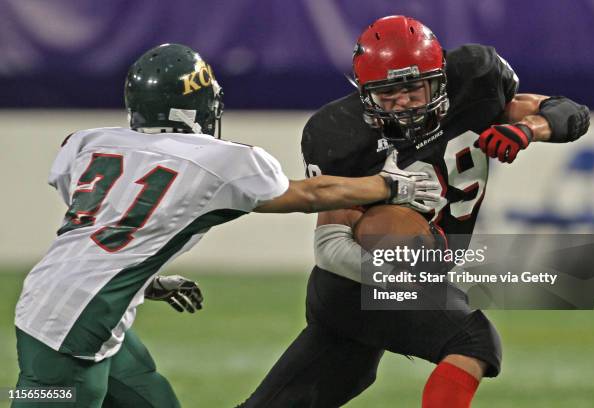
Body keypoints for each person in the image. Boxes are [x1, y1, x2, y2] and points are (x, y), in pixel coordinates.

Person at [12, 43, 435, 408]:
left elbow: (102, 228)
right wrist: (387, 186)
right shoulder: (213, 159)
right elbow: (308, 195)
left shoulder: (88, 144)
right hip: (72, 327)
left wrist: (145, 280)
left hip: (72, 305)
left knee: (152, 398)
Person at [240, 15, 590, 408]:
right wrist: (409, 276)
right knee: (472, 340)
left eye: (412, 88)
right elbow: (331, 247)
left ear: (439, 79)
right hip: (354, 284)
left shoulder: (474, 81)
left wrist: (527, 129)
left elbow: (570, 113)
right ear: (364, 92)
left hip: (388, 281)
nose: (403, 102)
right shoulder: (338, 133)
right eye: (388, 94)